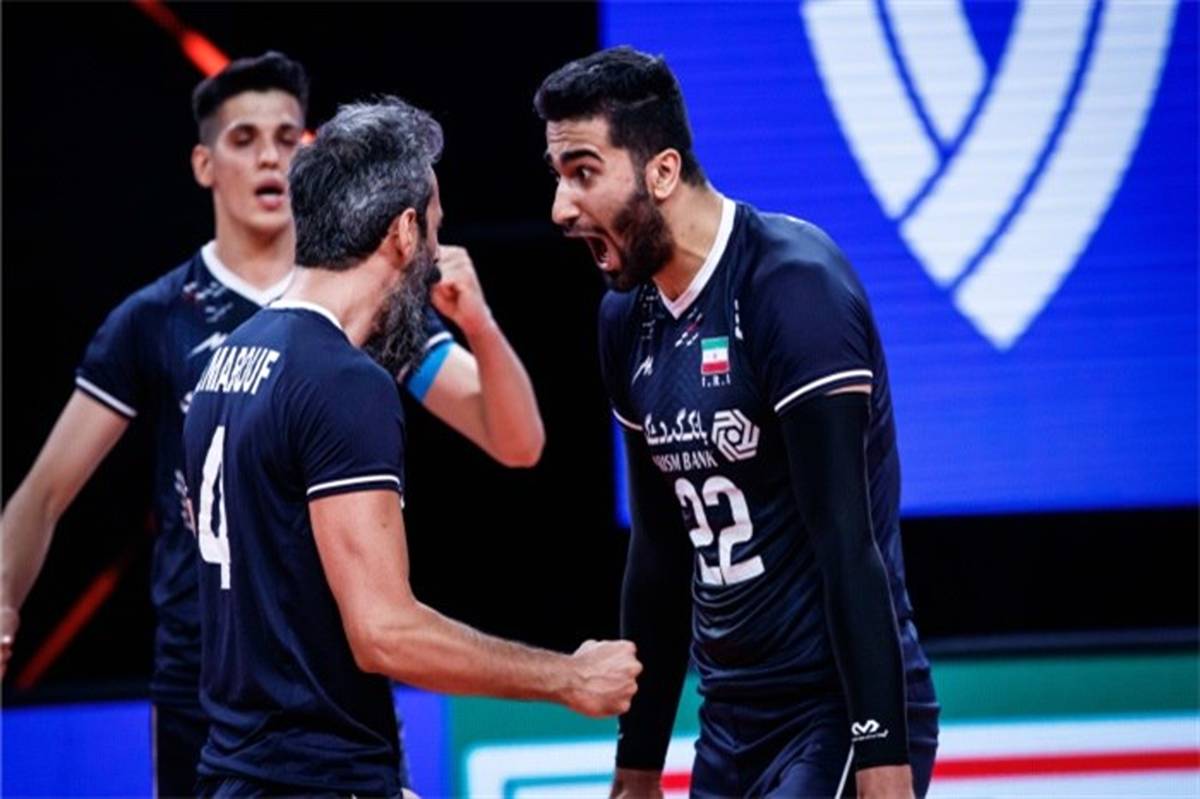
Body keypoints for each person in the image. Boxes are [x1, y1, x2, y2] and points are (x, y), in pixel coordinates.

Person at [0, 52, 544, 796]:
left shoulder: (366, 308)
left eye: (287, 138)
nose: (268, 157)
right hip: (203, 674)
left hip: (320, 682)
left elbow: (516, 441)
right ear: (204, 164)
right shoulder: (158, 318)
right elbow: (44, 493)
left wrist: (478, 323)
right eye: (244, 139)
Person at [182, 96, 640, 796]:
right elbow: (384, 632)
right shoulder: (342, 380)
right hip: (315, 778)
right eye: (434, 227)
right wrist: (568, 677)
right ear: (402, 231)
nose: (435, 253)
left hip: (237, 770)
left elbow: (519, 442)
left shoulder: (228, 360)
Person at [537, 47, 940, 799]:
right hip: (728, 717)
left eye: (584, 172)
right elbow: (659, 556)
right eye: (558, 176)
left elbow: (848, 545)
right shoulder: (625, 319)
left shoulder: (791, 286)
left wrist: (883, 757)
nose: (562, 208)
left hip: (836, 711)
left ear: (662, 171)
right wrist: (637, 765)